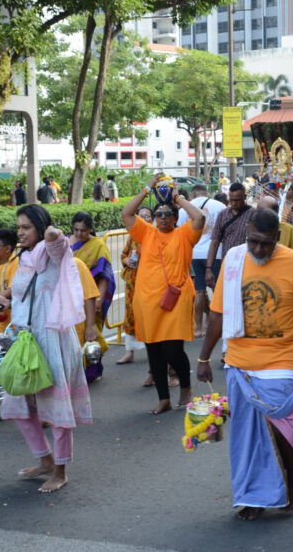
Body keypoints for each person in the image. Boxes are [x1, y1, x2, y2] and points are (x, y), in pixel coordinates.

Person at [197, 208, 293, 519]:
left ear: (277, 238)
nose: (258, 249)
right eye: (253, 241)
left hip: (281, 359)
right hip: (239, 362)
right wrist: (203, 357)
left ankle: (291, 480)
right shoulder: (233, 260)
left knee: (281, 431)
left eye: (266, 243)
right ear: (246, 235)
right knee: (246, 437)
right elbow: (217, 314)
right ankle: (253, 498)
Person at [0, 204, 92, 493]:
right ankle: (46, 459)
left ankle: (60, 471)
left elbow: (58, 241)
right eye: (18, 227)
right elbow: (26, 296)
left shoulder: (52, 252)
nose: (20, 232)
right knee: (18, 404)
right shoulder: (24, 257)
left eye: (26, 227)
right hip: (25, 339)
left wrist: (49, 231)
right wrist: (7, 302)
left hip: (52, 340)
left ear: (39, 227)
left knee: (56, 408)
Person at [122, 173, 206, 414]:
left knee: (172, 350)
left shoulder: (184, 234)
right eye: (158, 214)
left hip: (176, 299)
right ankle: (163, 399)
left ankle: (186, 387)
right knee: (154, 352)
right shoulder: (146, 232)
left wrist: (178, 198)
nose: (162, 217)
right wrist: (147, 189)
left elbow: (200, 217)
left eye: (168, 213)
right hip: (147, 301)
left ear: (176, 217)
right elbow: (127, 213)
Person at [69, 212, 116, 382]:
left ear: (90, 229)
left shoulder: (98, 245)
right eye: (76, 230)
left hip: (90, 295)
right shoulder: (66, 242)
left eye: (83, 230)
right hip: (70, 298)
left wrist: (99, 299)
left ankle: (92, 371)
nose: (79, 234)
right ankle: (75, 372)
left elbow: (104, 275)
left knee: (91, 335)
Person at [177, 185, 226, 337]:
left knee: (199, 292)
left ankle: (199, 328)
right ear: (207, 193)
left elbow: (180, 232)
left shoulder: (184, 209)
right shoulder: (219, 206)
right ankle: (220, 326)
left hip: (194, 253)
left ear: (194, 193)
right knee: (218, 291)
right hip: (215, 253)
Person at [116, 205, 153, 364]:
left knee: (149, 316)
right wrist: (126, 260)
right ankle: (129, 351)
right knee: (130, 315)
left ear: (152, 219)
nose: (144, 219)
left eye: (147, 216)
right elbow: (124, 254)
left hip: (150, 283)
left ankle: (153, 353)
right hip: (132, 282)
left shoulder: (155, 235)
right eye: (141, 216)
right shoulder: (133, 236)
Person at [204, 182, 254, 290]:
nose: (234, 203)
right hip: (228, 265)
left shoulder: (253, 214)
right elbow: (215, 242)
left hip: (247, 266)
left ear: (245, 197)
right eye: (231, 200)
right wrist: (208, 269)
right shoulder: (223, 214)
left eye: (237, 200)